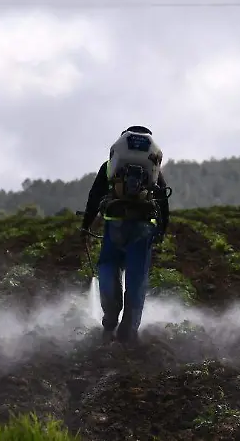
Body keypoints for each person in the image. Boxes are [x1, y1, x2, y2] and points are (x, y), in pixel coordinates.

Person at [80, 125, 171, 344]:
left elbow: (94, 197)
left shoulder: (111, 166)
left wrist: (85, 226)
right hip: (142, 230)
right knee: (136, 280)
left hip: (115, 227)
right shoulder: (153, 169)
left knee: (108, 269)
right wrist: (162, 229)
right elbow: (163, 202)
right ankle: (128, 332)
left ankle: (110, 323)